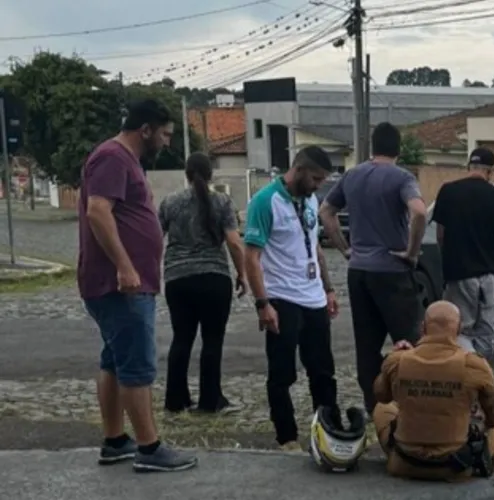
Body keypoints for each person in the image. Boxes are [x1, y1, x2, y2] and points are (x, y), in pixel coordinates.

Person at [78, 99, 197, 472]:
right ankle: (149, 448)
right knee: (136, 364)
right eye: (165, 134)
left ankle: (115, 441)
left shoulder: (125, 160)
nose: (166, 142)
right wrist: (125, 266)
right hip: (121, 285)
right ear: (145, 129)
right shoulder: (112, 158)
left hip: (124, 282)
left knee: (114, 361)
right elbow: (98, 211)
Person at [319, 122, 427, 417]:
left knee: (367, 346)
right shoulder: (402, 177)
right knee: (411, 342)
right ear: (398, 148)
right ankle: (412, 406)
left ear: (372, 147)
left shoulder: (352, 176)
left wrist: (345, 248)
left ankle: (375, 406)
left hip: (359, 271)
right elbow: (419, 212)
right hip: (393, 270)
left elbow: (326, 212)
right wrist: (411, 252)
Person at [243, 145, 342, 451]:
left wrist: (328, 288)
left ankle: (330, 432)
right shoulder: (264, 201)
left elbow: (315, 247)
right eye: (315, 179)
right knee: (282, 373)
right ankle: (286, 437)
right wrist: (263, 303)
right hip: (281, 298)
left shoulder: (310, 199)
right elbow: (251, 256)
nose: (317, 186)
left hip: (313, 298)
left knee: (323, 372)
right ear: (298, 170)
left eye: (322, 181)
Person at [371, 301, 494, 480]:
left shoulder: (398, 361)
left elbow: (381, 395)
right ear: (459, 330)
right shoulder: (474, 365)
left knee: (382, 409)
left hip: (404, 463)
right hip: (455, 466)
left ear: (423, 328)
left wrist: (394, 361)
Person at [158, 152, 248, 414]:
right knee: (212, 340)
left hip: (178, 278)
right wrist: (242, 274)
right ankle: (210, 400)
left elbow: (154, 238)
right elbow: (234, 242)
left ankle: (175, 399)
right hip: (213, 277)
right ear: (211, 174)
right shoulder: (222, 202)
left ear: (186, 174)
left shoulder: (169, 202)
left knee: (181, 338)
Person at [430, 148, 494, 362]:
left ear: (469, 167)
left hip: (459, 273)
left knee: (459, 329)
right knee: (486, 331)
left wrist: (447, 258)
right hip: (489, 275)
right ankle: (479, 370)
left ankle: (462, 371)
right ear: (491, 171)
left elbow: (440, 235)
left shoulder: (448, 192)